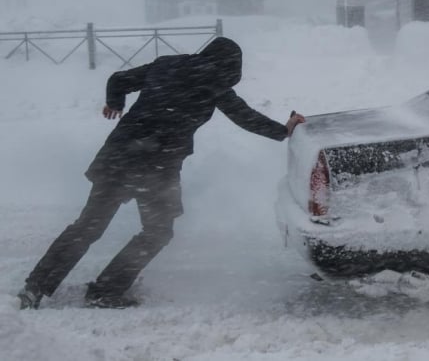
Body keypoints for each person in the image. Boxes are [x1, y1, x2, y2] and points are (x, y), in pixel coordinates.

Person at [17, 37, 306, 309]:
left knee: (89, 226)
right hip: (156, 166)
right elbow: (245, 117)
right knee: (156, 231)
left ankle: (36, 287)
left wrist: (115, 102)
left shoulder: (166, 64)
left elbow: (118, 79)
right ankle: (105, 291)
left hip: (120, 157)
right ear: (231, 67)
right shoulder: (215, 84)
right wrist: (283, 130)